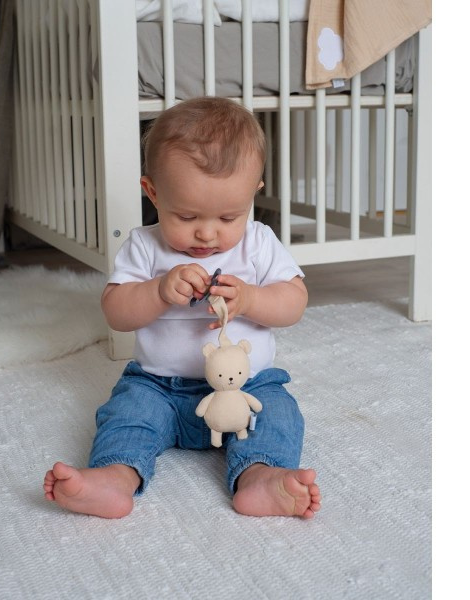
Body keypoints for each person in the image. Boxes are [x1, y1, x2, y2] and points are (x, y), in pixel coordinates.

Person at [43, 97, 321, 519]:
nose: (207, 234)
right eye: (187, 216)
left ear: (253, 193)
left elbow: (294, 302)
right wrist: (157, 291)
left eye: (228, 217)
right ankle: (115, 476)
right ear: (153, 192)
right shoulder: (144, 245)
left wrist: (251, 299)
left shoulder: (259, 242)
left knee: (280, 413)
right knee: (128, 413)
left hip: (249, 388)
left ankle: (261, 476)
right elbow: (116, 311)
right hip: (160, 387)